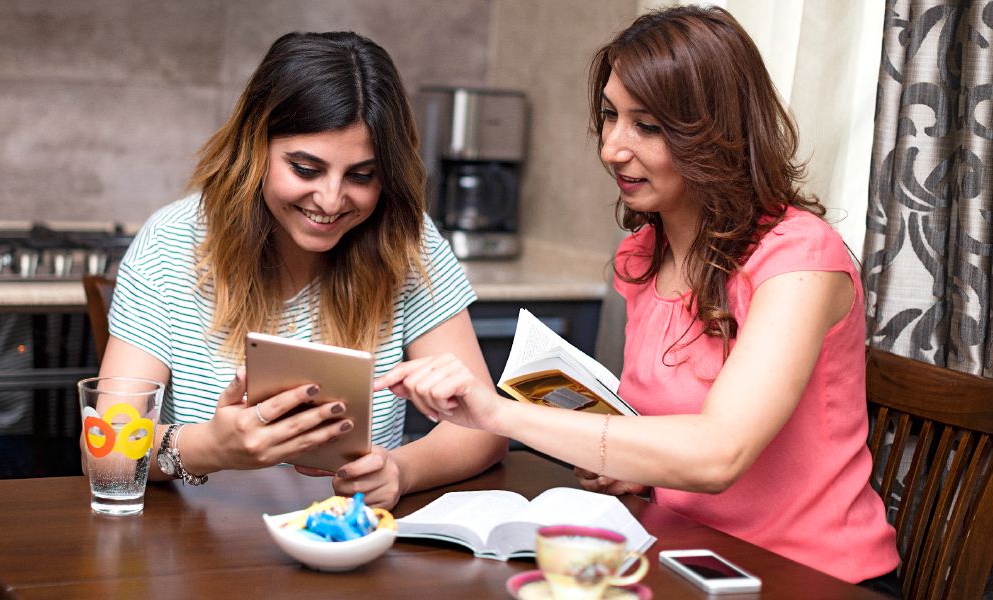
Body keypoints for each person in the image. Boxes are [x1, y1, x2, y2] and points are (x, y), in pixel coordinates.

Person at [375, 6, 901, 596]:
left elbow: (717, 455)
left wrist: (500, 415)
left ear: (718, 131)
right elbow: (662, 434)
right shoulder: (643, 253)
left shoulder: (799, 259)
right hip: (683, 552)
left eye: (647, 126)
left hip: (810, 577)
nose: (613, 149)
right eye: (609, 116)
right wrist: (633, 474)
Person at [98, 30, 506, 509]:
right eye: (306, 169)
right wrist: (210, 448)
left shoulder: (406, 240)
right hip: (200, 551)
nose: (331, 201)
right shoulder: (171, 242)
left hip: (351, 543)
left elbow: (483, 429)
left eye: (361, 176)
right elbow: (106, 451)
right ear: (255, 147)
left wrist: (400, 471)